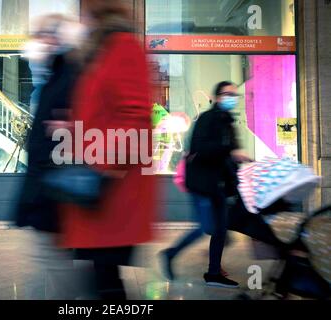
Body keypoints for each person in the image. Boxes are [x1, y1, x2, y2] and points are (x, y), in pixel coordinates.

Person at [57, 1, 157, 300]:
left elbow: (136, 118)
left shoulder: (123, 47)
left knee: (105, 278)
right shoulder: (100, 52)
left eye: (88, 15)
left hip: (110, 190)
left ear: (101, 16)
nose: (83, 21)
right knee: (101, 274)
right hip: (98, 186)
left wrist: (100, 168)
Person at [15, 15, 85, 299]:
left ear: (58, 39)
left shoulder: (68, 77)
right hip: (49, 188)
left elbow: (76, 132)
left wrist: (69, 128)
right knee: (56, 263)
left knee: (58, 265)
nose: (37, 42)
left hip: (56, 190)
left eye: (43, 35)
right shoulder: (52, 78)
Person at [160, 81, 251, 288]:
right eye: (228, 94)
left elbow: (230, 155)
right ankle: (170, 253)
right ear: (218, 97)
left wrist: (239, 167)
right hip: (201, 183)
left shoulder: (227, 121)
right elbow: (199, 149)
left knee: (220, 229)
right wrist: (228, 150)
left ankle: (213, 273)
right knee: (206, 227)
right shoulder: (207, 119)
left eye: (234, 95)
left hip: (217, 184)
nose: (232, 99)